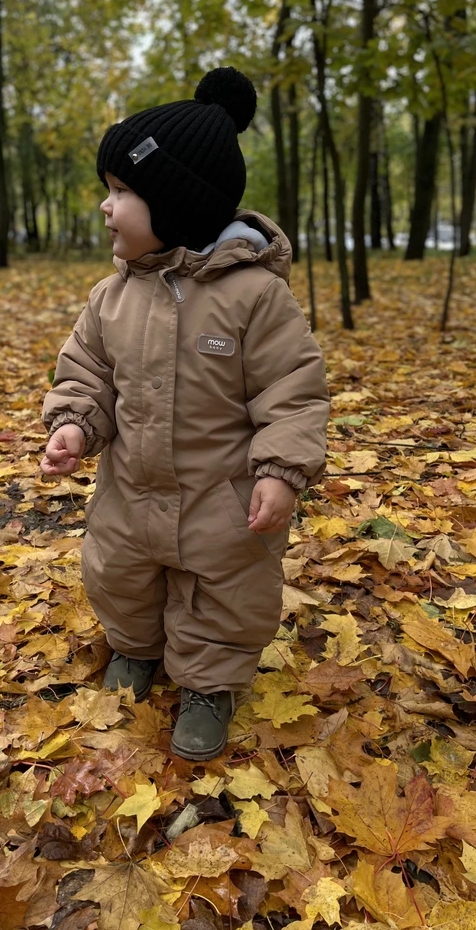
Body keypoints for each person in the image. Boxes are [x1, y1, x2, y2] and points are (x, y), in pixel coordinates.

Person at [40, 66, 329, 761]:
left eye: (120, 192)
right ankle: (136, 651)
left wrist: (282, 471)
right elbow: (88, 372)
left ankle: (209, 684)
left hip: (220, 498)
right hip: (130, 491)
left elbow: (292, 389)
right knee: (118, 574)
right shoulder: (111, 298)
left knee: (225, 592)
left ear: (175, 201)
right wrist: (76, 423)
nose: (106, 208)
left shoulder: (254, 297)